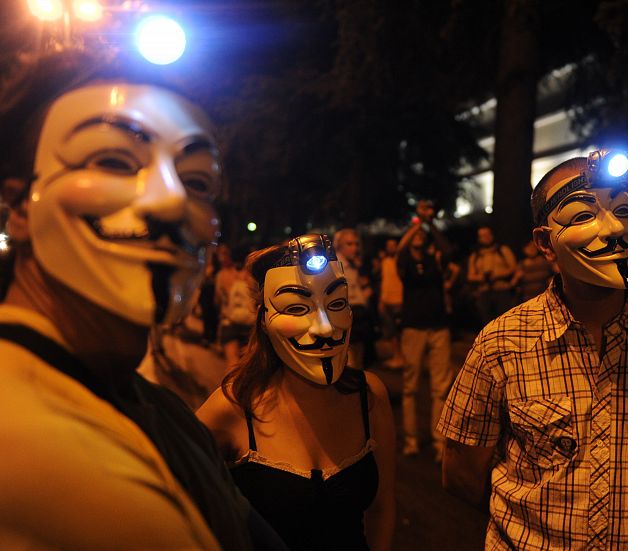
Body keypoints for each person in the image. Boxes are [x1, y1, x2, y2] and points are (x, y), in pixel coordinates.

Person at [0, 51, 269, 549]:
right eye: (113, 161)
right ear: (18, 207)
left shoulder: (159, 410)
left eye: (197, 181)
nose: (170, 201)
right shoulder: (23, 441)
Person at [439, 149, 628, 549]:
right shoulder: (501, 343)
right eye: (582, 216)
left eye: (623, 209)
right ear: (545, 244)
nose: (613, 228)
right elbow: (460, 473)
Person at [196, 234, 396, 551]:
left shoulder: (369, 396)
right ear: (263, 319)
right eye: (296, 308)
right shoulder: (234, 408)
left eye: (337, 304)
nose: (324, 328)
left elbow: (382, 509)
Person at [396, 199, 454, 462]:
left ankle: (438, 442)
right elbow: (400, 249)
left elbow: (447, 249)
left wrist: (429, 223)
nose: (418, 237)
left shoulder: (436, 260)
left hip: (438, 326)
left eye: (422, 235)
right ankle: (411, 440)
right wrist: (416, 223)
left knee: (440, 388)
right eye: (415, 235)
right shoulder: (405, 264)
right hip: (413, 328)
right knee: (410, 388)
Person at [334, 227, 375, 369]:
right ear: (339, 245)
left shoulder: (355, 265)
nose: (355, 248)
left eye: (356, 244)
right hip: (347, 317)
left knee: (359, 361)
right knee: (349, 363)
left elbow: (365, 288)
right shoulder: (336, 267)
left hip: (360, 317)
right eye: (349, 244)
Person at [216, 244, 258, 369]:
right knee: (247, 365)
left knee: (232, 362)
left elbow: (218, 301)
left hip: (230, 323)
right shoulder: (253, 278)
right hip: (250, 325)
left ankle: (229, 388)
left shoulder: (222, 275)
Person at [467, 226, 518, 324]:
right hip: (484, 293)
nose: (486, 237)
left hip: (502, 291)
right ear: (479, 238)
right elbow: (470, 275)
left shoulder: (503, 250)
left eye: (487, 234)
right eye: (482, 236)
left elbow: (513, 267)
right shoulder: (475, 255)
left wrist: (497, 274)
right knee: (487, 322)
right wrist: (481, 277)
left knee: (506, 321)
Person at [378, 237, 404, 368]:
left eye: (394, 245)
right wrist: (381, 300)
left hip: (399, 300)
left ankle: (404, 357)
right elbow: (384, 282)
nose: (391, 247)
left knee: (401, 332)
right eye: (389, 245)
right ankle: (397, 356)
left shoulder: (401, 261)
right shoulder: (385, 261)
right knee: (392, 331)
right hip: (387, 300)